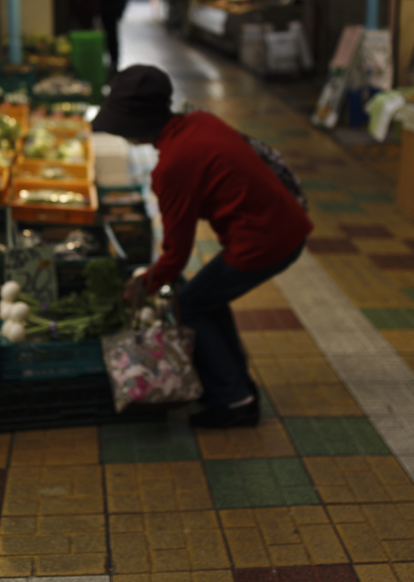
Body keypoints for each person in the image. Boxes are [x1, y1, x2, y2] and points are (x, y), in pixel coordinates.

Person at [91, 65, 313, 429]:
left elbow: (176, 255)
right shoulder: (198, 122)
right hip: (282, 227)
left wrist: (145, 283)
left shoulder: (174, 165)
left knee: (189, 305)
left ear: (133, 123)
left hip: (264, 241)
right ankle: (238, 388)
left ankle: (234, 400)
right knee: (204, 298)